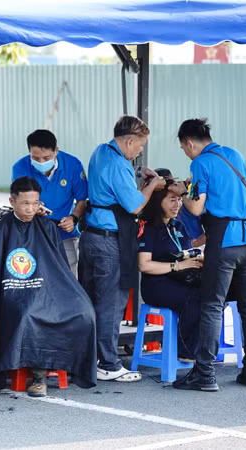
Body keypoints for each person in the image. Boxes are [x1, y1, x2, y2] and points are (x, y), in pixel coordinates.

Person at [0, 177, 97, 397]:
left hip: (47, 290)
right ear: (12, 201)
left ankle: (75, 366)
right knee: (29, 313)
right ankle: (38, 377)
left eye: (35, 203)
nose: (30, 209)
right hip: (12, 293)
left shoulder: (48, 228)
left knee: (84, 310)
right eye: (25, 203)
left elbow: (59, 271)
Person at [174, 118, 246, 392]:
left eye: (183, 149)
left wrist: (182, 192)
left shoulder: (200, 162)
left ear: (190, 143)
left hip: (224, 239)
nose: (186, 153)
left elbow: (197, 208)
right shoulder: (235, 154)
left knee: (212, 305)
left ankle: (204, 373)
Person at [80, 115, 166, 383]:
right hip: (109, 242)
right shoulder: (118, 165)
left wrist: (139, 172)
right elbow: (135, 206)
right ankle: (108, 363)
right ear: (129, 141)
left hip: (92, 237)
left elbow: (113, 181)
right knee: (111, 305)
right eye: (140, 146)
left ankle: (91, 358)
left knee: (92, 301)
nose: (140, 151)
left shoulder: (101, 151)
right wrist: (153, 184)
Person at [138, 170, 202, 362]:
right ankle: (186, 352)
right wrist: (178, 266)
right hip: (156, 285)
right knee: (195, 298)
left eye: (179, 199)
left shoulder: (179, 226)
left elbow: (187, 255)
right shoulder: (149, 228)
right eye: (172, 200)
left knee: (213, 294)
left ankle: (201, 348)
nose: (178, 204)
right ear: (159, 202)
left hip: (181, 280)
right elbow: (144, 265)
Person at [11, 130, 88, 278]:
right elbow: (17, 202)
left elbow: (82, 200)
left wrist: (74, 218)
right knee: (35, 278)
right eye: (35, 158)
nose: (40, 162)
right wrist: (32, 209)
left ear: (56, 150)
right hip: (32, 234)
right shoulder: (19, 168)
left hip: (65, 234)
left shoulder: (73, 165)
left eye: (46, 157)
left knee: (68, 277)